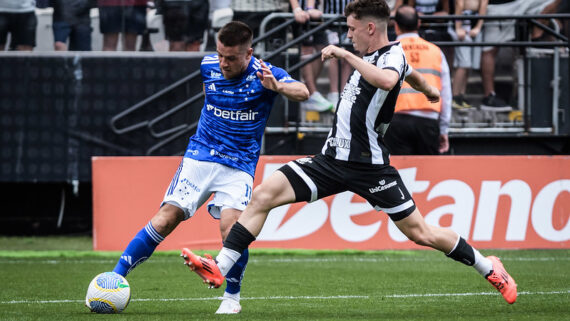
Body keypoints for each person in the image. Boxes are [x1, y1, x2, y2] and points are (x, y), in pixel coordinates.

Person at [184, 0, 518, 306]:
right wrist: (428, 88)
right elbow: (409, 76)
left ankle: (490, 267)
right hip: (330, 161)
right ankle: (220, 266)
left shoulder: (391, 56)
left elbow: (389, 80)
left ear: (370, 28)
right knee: (264, 194)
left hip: (369, 167)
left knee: (422, 232)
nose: (348, 35)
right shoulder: (382, 59)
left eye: (351, 29)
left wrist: (345, 55)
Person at [110, 21, 309, 314]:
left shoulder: (267, 74)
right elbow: (211, 98)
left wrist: (277, 87)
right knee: (166, 218)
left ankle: (232, 298)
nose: (223, 63)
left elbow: (303, 91)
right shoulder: (208, 66)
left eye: (231, 58)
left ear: (249, 53)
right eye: (220, 55)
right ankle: (114, 279)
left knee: (232, 230)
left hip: (239, 164)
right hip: (200, 156)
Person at [384, 5, 452, 155]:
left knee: (400, 174)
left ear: (396, 26)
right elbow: (446, 93)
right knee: (429, 174)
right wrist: (444, 129)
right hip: (428, 120)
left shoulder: (388, 51)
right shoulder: (436, 51)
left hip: (396, 121)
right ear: (419, 23)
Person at [480, 0, 557, 111]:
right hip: (498, 7)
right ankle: (489, 96)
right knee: (489, 50)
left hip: (519, 5)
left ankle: (538, 32)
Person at [291, 0, 335, 112]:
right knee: (307, 49)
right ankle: (312, 93)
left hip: (313, 12)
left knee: (323, 48)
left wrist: (311, 8)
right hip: (300, 12)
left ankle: (309, 93)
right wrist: (297, 9)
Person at [448, 0, 487, 110]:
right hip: (460, 21)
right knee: (463, 64)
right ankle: (455, 97)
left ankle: (461, 96)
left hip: (474, 22)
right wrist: (458, 27)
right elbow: (459, 4)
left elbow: (484, 5)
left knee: (467, 65)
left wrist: (478, 27)